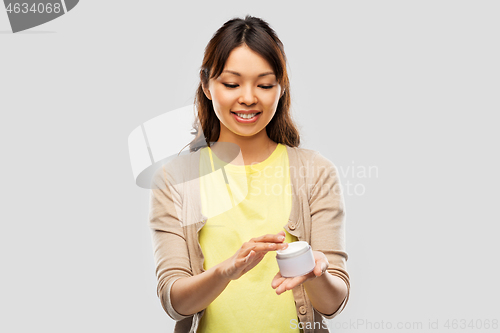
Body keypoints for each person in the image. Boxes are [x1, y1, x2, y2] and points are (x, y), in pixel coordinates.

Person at [148, 15, 350, 333]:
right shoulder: (176, 180)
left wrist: (316, 273)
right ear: (207, 85)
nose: (248, 97)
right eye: (231, 83)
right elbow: (174, 302)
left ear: (281, 87)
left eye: (265, 84)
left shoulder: (315, 172)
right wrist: (225, 271)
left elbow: (333, 304)